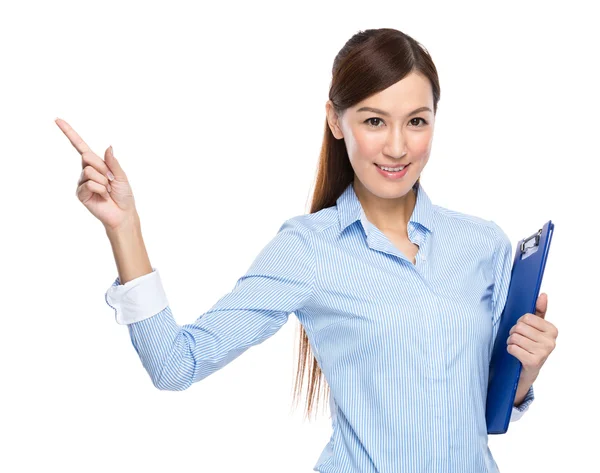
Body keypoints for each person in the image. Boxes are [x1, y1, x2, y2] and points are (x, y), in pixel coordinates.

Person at [57, 27, 558, 473]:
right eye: (375, 121)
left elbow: (486, 414)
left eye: (417, 121)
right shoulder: (307, 248)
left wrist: (525, 368)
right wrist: (125, 229)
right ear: (336, 122)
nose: (399, 148)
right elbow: (175, 365)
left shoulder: (482, 244)